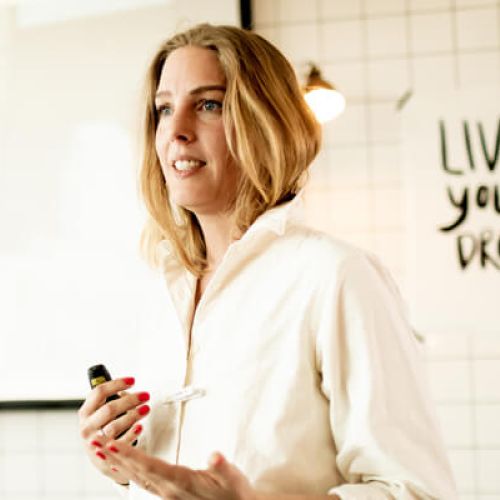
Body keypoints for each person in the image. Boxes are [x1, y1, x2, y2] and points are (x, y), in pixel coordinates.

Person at [78, 23, 458, 500]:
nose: (176, 131)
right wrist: (122, 458)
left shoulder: (336, 277)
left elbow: (417, 492)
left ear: (266, 122)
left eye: (209, 105)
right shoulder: (162, 289)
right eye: (164, 109)